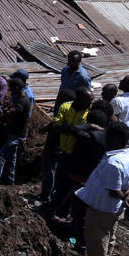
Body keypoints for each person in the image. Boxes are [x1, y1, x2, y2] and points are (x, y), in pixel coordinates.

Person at [75, 121, 129, 256]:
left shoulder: (114, 162)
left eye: (108, 135)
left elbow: (114, 191)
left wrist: (125, 197)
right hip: (114, 208)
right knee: (110, 235)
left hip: (103, 208)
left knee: (96, 238)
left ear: (115, 138)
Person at [65, 109, 110, 255]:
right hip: (96, 181)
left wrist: (91, 126)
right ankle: (75, 237)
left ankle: (80, 246)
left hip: (81, 179)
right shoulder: (110, 137)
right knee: (83, 213)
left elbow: (73, 128)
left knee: (79, 213)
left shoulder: (89, 137)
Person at [45, 86, 94, 217]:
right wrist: (76, 130)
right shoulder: (65, 107)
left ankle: (64, 211)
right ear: (78, 99)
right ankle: (54, 208)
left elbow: (86, 134)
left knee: (72, 186)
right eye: (88, 100)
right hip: (64, 151)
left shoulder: (90, 113)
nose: (90, 104)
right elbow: (57, 126)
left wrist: (70, 128)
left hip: (77, 155)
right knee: (60, 183)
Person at [38, 88, 76, 204]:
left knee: (49, 173)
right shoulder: (73, 113)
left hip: (53, 147)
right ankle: (54, 195)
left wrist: (43, 130)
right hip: (64, 148)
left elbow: (53, 126)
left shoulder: (62, 111)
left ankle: (46, 196)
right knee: (57, 173)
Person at [0, 77, 31, 185]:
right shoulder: (17, 97)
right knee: (11, 157)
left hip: (18, 134)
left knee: (0, 156)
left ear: (18, 88)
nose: (10, 91)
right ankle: (9, 180)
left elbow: (12, 112)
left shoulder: (23, 101)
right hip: (12, 131)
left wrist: (7, 111)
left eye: (12, 88)